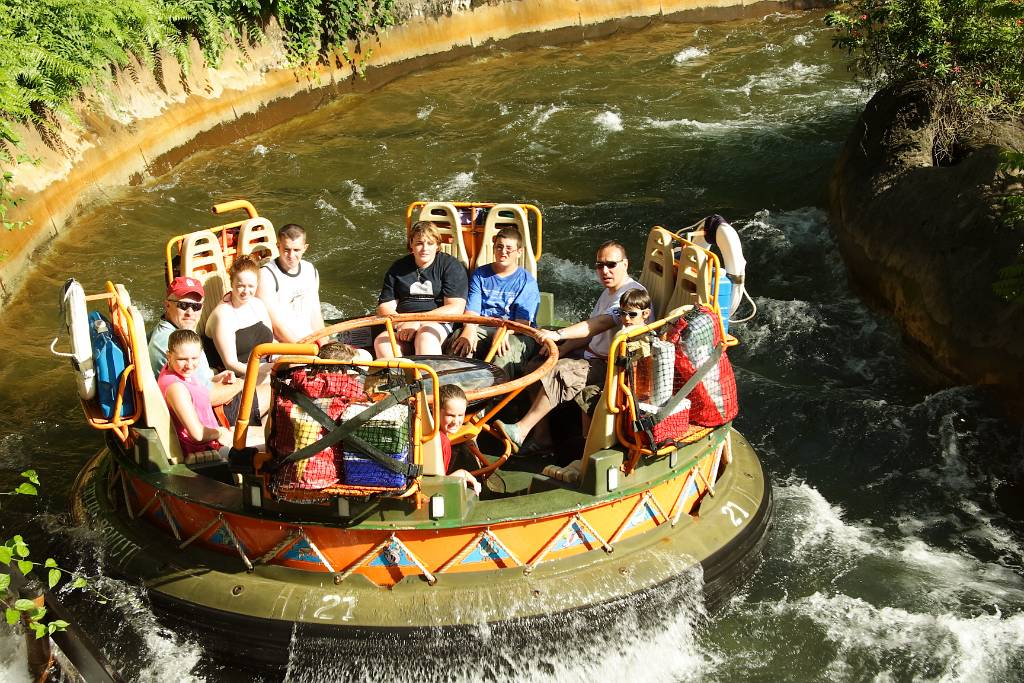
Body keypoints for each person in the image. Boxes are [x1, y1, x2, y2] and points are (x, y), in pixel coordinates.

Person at [495, 241, 648, 449]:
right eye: (599, 265)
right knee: (537, 365)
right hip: (591, 353)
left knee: (563, 371)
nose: (605, 270)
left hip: (611, 366)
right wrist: (561, 349)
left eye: (611, 264)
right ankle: (542, 438)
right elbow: (591, 331)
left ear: (625, 264)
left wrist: (558, 334)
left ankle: (521, 430)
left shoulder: (629, 295)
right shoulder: (609, 291)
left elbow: (599, 324)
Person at [148, 276, 268, 424]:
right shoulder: (171, 342)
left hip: (205, 399)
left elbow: (195, 382)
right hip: (207, 414)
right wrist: (245, 382)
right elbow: (208, 397)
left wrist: (216, 377)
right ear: (167, 305)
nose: (190, 313)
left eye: (197, 307)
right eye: (183, 305)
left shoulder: (177, 331)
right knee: (273, 389)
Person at [449, 227, 540, 377]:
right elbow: (472, 311)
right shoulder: (480, 275)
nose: (503, 252)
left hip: (516, 331)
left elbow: (523, 323)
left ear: (519, 252)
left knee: (504, 351)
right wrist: (469, 329)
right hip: (483, 327)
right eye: (499, 246)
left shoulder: (527, 282)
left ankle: (496, 395)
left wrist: (505, 331)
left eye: (509, 248)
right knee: (460, 341)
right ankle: (456, 388)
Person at [374, 221, 468, 358]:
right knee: (382, 342)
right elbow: (384, 306)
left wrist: (417, 322)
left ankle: (430, 379)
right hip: (403, 325)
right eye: (419, 243)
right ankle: (399, 378)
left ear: (437, 246)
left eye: (430, 243)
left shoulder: (450, 266)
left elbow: (456, 308)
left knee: (425, 337)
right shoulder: (398, 268)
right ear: (411, 244)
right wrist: (401, 324)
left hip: (438, 323)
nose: (424, 248)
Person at [158, 329, 233, 462]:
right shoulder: (176, 388)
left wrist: (217, 379)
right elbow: (198, 434)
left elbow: (193, 392)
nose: (190, 365)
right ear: (168, 356)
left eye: (194, 358)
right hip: (204, 453)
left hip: (211, 440)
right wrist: (220, 432)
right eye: (182, 359)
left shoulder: (176, 371)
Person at [205, 254, 275, 377]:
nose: (246, 291)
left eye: (251, 286)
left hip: (264, 365)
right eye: (240, 286)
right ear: (231, 283)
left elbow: (272, 343)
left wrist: (284, 359)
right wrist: (265, 373)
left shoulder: (257, 304)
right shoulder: (223, 315)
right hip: (238, 376)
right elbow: (230, 363)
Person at [257, 224, 326, 343]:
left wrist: (323, 343)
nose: (291, 256)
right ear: (278, 246)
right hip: (282, 345)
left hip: (309, 340)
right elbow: (277, 327)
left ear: (305, 248)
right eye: (286, 250)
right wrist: (302, 349)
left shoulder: (310, 270)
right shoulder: (266, 275)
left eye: (297, 250)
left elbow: (315, 313)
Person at [437, 384, 481, 495]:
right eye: (450, 415)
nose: (456, 421)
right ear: (436, 411)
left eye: (460, 415)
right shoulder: (440, 441)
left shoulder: (435, 434)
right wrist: (463, 474)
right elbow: (437, 486)